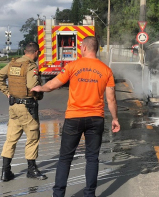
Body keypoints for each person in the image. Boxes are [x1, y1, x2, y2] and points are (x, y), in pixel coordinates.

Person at [31, 36, 120, 197]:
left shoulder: (73, 66)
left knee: (65, 158)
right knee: (92, 158)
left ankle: (58, 194)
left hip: (74, 118)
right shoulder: (106, 70)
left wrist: (40, 88)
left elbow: (53, 85)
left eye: (80, 47)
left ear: (85, 48)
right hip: (96, 118)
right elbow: (111, 98)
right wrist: (115, 119)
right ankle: (90, 194)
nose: (80, 49)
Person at [0, 42, 47, 182]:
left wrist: (7, 92)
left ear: (25, 51)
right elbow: (32, 86)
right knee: (33, 137)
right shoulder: (31, 66)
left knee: (11, 138)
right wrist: (41, 90)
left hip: (13, 106)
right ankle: (31, 170)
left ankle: (5, 171)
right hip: (27, 107)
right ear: (36, 53)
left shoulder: (13, 64)